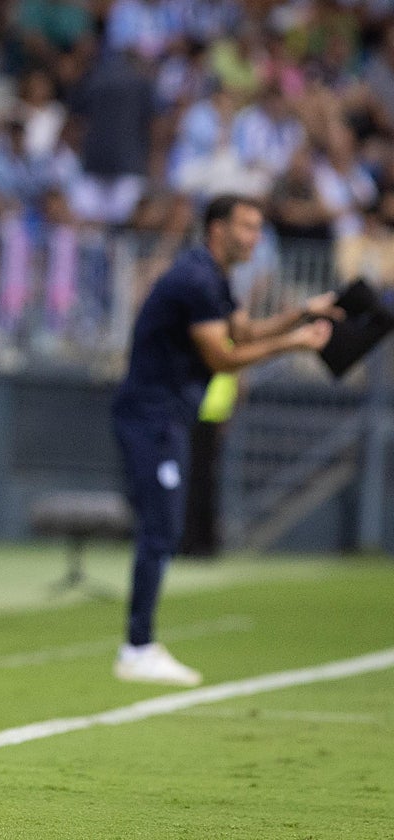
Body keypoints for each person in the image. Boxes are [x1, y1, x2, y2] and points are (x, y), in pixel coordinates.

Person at [112, 193, 338, 688]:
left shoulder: (211, 275)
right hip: (151, 416)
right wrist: (293, 344)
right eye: (247, 227)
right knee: (161, 529)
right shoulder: (197, 279)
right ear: (216, 228)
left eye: (258, 228)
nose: (255, 238)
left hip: (167, 416)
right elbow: (223, 356)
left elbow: (244, 329)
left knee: (164, 529)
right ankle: (136, 646)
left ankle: (139, 644)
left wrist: (303, 313)